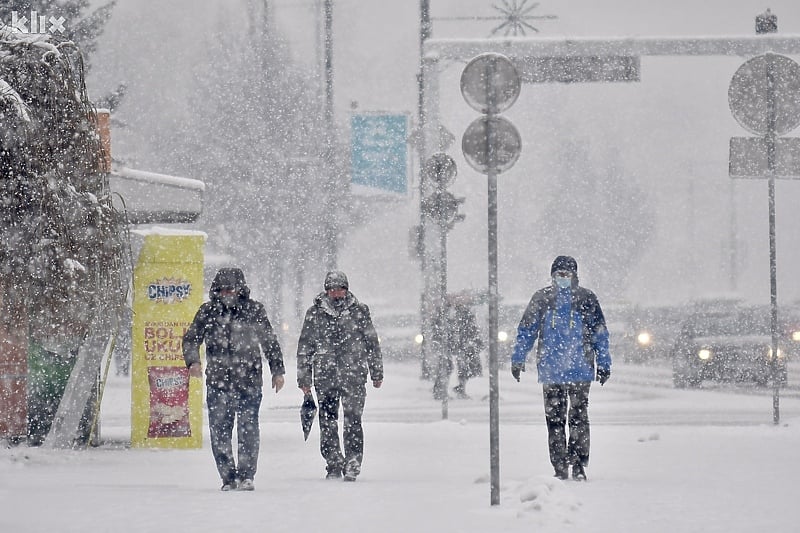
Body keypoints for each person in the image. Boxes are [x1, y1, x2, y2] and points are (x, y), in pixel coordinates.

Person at [183, 268, 285, 492]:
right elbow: (191, 339)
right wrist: (193, 362)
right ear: (216, 290)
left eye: (231, 289)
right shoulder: (207, 312)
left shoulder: (254, 310)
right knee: (220, 430)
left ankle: (247, 475)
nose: (227, 293)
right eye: (222, 289)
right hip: (218, 383)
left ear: (241, 289)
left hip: (249, 381)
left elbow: (270, 342)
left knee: (248, 429)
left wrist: (277, 370)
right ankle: (228, 478)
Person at [510, 256, 611, 482]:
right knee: (555, 421)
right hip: (551, 370)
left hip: (580, 369)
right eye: (559, 274)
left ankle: (578, 464)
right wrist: (518, 357)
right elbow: (527, 330)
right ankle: (559, 465)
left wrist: (604, 362)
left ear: (574, 275)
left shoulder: (586, 299)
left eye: (567, 274)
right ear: (552, 275)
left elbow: (600, 334)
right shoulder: (542, 299)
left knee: (578, 418)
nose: (563, 278)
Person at [297, 270, 383, 482]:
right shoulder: (314, 313)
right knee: (328, 421)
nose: (337, 294)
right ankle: (333, 461)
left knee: (353, 419)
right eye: (333, 290)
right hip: (325, 377)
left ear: (347, 289)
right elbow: (305, 347)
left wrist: (376, 371)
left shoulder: (360, 311)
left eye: (340, 289)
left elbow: (371, 342)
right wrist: (304, 378)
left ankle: (353, 462)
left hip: (353, 374)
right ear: (327, 291)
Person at [447, 294, 484, 399]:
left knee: (465, 367)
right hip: (465, 345)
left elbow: (471, 329)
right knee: (464, 367)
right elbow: (469, 329)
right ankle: (461, 388)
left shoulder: (461, 313)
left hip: (465, 345)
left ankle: (461, 387)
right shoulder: (462, 314)